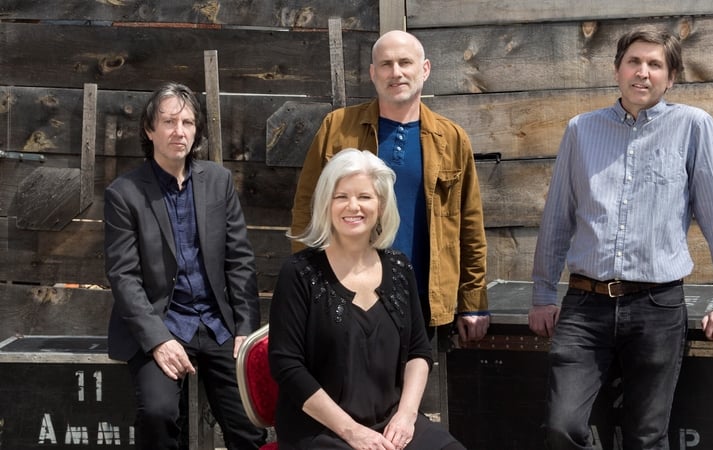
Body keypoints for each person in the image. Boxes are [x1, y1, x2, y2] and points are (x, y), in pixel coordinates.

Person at [528, 28, 713, 449]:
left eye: (655, 64)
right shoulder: (581, 130)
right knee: (561, 425)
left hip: (657, 306)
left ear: (671, 77)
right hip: (584, 307)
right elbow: (558, 216)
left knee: (647, 436)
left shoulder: (693, 127)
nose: (642, 73)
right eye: (634, 61)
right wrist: (542, 293)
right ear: (617, 70)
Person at [290, 30, 489, 343]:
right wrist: (309, 288)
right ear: (372, 73)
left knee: (415, 386)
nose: (396, 72)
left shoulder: (452, 139)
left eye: (405, 63)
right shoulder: (337, 128)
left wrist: (473, 302)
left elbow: (470, 225)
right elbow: (307, 210)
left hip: (422, 296)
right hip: (348, 292)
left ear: (424, 69)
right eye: (385, 64)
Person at [104, 82, 266, 450]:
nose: (180, 131)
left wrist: (245, 329)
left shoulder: (219, 182)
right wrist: (158, 340)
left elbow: (240, 260)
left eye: (188, 123)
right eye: (169, 122)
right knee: (159, 414)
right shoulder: (124, 194)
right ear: (150, 130)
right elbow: (123, 276)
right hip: (161, 324)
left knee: (250, 420)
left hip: (217, 325)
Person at [269, 149, 466, 450]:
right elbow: (287, 366)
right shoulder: (299, 273)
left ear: (381, 205)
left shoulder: (400, 268)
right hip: (321, 430)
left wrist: (406, 417)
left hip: (391, 421)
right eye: (341, 197)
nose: (353, 206)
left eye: (364, 196)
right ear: (326, 203)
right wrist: (352, 432)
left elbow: (418, 351)